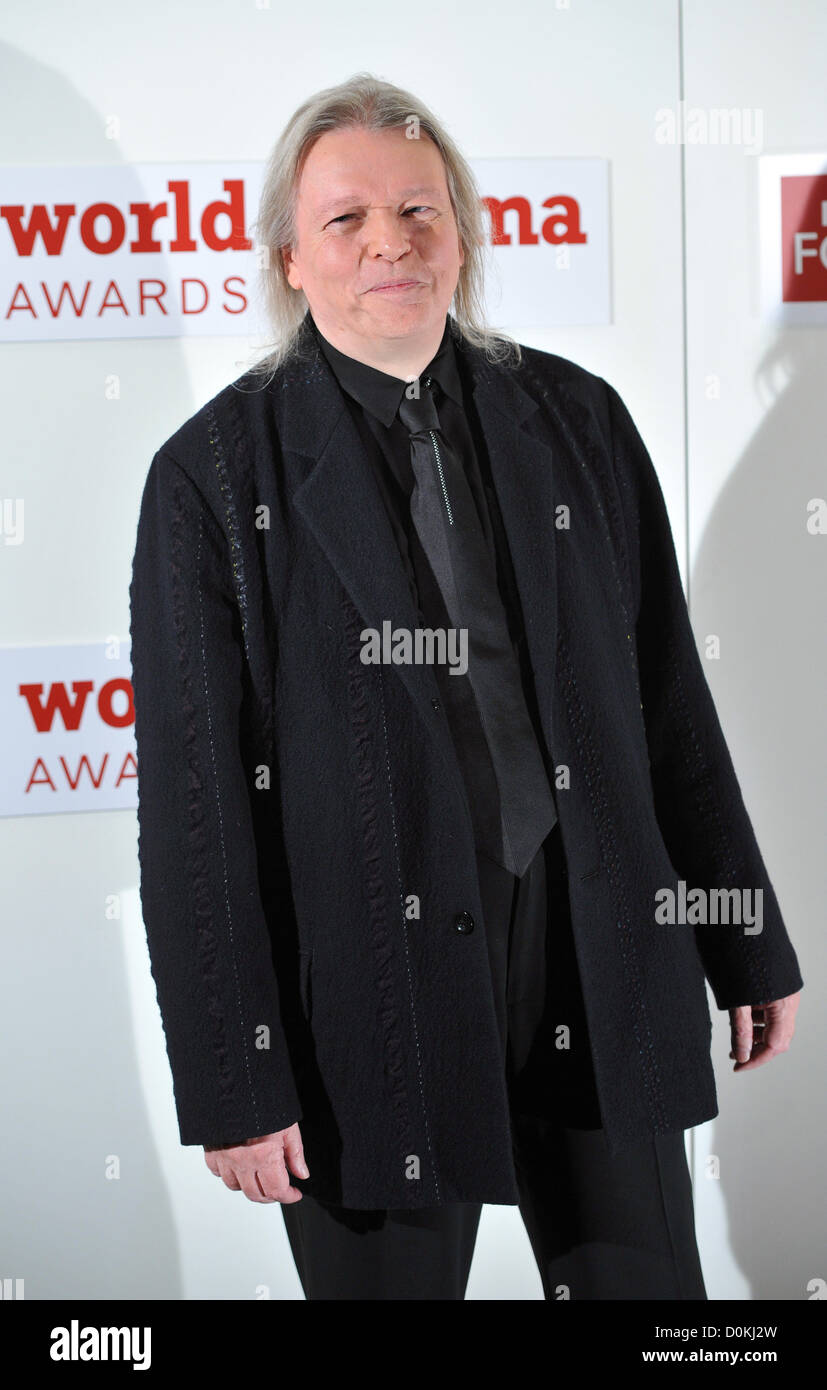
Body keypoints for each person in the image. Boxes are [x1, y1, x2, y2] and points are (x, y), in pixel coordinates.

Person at [128, 73, 803, 1301]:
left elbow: (663, 704)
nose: (391, 241)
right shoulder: (212, 480)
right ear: (287, 253)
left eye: (420, 210)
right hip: (365, 1009)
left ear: (462, 234)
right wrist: (236, 1076)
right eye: (346, 220)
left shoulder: (580, 422)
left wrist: (740, 934)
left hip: (598, 960)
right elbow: (194, 815)